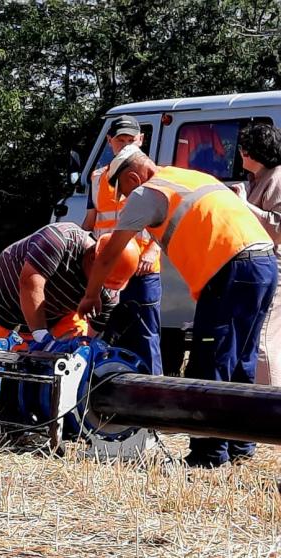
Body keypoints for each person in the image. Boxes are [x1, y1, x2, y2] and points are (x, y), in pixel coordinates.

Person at [79, 144, 277, 468]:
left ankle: (209, 455)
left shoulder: (146, 194)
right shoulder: (186, 177)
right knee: (242, 358)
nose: (124, 199)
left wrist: (90, 296)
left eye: (123, 189)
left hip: (231, 269)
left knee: (210, 362)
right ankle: (241, 446)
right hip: (264, 264)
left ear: (133, 176)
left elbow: (109, 254)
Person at [82, 115, 163, 375]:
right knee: (102, 333)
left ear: (141, 140)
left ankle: (154, 396)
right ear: (110, 142)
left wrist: (152, 250)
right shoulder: (96, 178)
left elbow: (166, 222)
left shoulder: (152, 174)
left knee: (145, 335)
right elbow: (91, 221)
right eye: (121, 140)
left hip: (142, 270)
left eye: (132, 140)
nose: (127, 144)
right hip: (107, 271)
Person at [0, 222, 140, 350]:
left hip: (57, 313)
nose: (102, 287)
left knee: (70, 354)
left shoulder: (109, 292)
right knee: (3, 363)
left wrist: (84, 355)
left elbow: (93, 337)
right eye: (102, 279)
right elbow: (30, 282)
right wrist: (41, 336)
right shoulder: (60, 239)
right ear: (93, 257)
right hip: (6, 299)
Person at [235, 123, 281, 387]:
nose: (240, 154)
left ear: (254, 152)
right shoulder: (261, 178)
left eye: (243, 149)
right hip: (264, 270)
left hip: (275, 268)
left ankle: (271, 414)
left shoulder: (276, 178)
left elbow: (278, 229)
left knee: (264, 342)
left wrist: (244, 205)